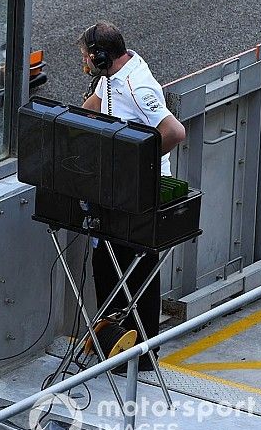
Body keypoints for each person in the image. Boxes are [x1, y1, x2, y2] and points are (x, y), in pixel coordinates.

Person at [78, 21, 186, 370]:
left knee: (136, 270)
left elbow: (173, 131)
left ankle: (141, 354)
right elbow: (93, 107)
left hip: (143, 190)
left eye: (85, 57)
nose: (83, 62)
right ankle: (112, 343)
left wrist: (137, 162)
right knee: (105, 263)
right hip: (119, 189)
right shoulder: (110, 75)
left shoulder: (137, 85)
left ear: (101, 55)